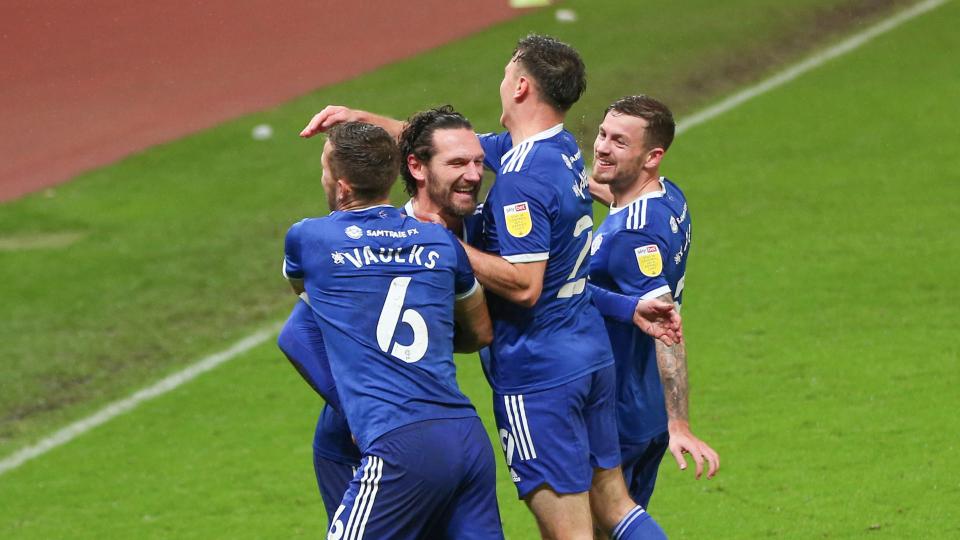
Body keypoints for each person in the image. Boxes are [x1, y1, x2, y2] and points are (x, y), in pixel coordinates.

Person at [283, 121, 503, 539]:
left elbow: (308, 317)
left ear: (342, 187)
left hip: (397, 441)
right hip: (465, 437)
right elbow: (479, 332)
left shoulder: (310, 238)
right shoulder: (440, 245)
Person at [588, 95, 720, 509]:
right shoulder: (668, 198)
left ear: (652, 157)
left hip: (619, 414)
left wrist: (680, 423)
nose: (603, 146)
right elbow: (613, 198)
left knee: (585, 529)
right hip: (644, 414)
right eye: (603, 134)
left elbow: (666, 326)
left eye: (620, 142)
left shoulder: (633, 236)